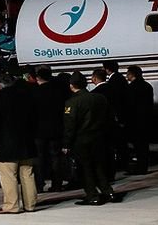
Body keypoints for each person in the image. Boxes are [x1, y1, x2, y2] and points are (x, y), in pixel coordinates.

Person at [63, 72, 122, 205]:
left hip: (82, 140)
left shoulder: (72, 102)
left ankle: (92, 195)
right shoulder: (100, 98)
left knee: (85, 168)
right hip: (99, 138)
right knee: (99, 166)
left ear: (71, 86)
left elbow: (70, 125)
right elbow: (109, 118)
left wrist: (66, 144)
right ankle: (109, 192)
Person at [0, 73, 37, 214]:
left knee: (8, 176)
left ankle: (12, 205)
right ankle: (30, 204)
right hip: (27, 143)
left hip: (5, 145)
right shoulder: (26, 97)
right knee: (27, 174)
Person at [125, 65, 153, 175]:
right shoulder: (147, 86)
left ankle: (139, 168)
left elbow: (129, 106)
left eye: (128, 73)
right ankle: (144, 167)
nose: (126, 75)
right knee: (144, 146)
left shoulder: (131, 88)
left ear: (132, 74)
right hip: (146, 120)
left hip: (135, 122)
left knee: (138, 146)